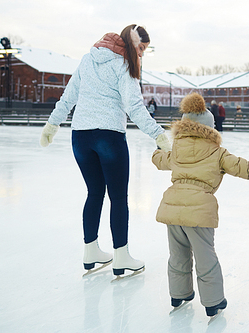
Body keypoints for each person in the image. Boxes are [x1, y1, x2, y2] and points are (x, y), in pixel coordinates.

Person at [39, 24, 171, 278]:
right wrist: (159, 134)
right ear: (133, 44)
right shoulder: (124, 65)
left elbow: (68, 97)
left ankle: (91, 252)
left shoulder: (88, 60)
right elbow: (133, 106)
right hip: (108, 136)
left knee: (95, 193)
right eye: (141, 48)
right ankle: (121, 256)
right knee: (118, 197)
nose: (141, 55)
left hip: (81, 138)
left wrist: (52, 124)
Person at [152, 93, 249, 317]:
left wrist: (159, 149)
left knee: (178, 255)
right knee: (205, 257)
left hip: (171, 208)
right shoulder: (217, 152)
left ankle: (178, 293)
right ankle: (213, 302)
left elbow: (159, 160)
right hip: (200, 211)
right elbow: (244, 167)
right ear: (210, 129)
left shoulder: (177, 150)